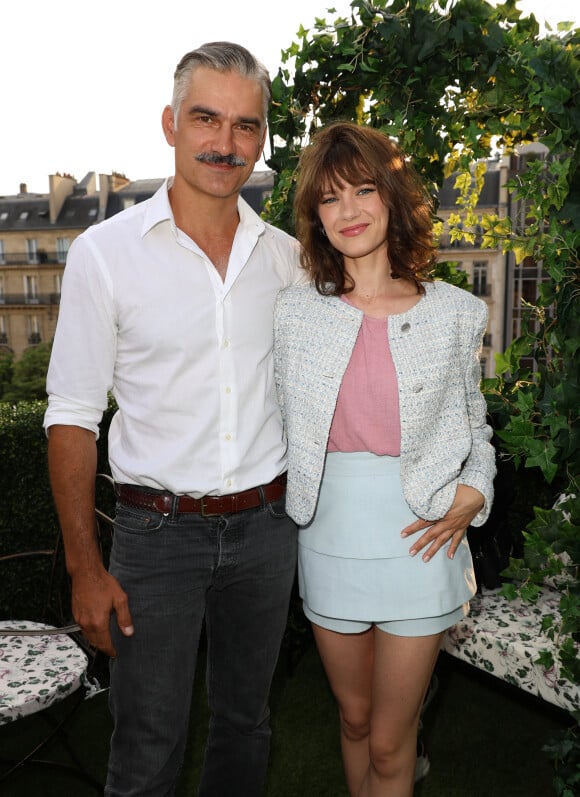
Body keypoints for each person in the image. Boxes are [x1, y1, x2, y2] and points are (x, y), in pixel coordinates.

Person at [44, 42, 303, 797]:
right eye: (206, 118)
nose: (225, 143)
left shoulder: (285, 258)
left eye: (245, 126)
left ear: (261, 139)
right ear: (170, 124)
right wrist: (84, 567)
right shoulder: (106, 254)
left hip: (267, 529)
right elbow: (71, 416)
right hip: (155, 539)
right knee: (149, 746)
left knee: (246, 725)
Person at [273, 121, 496, 797]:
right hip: (330, 534)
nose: (349, 211)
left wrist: (475, 490)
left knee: (395, 738)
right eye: (331, 198)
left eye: (364, 190)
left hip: (423, 539)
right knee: (355, 716)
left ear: (392, 198)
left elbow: (475, 426)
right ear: (316, 215)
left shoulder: (455, 313)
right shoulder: (292, 314)